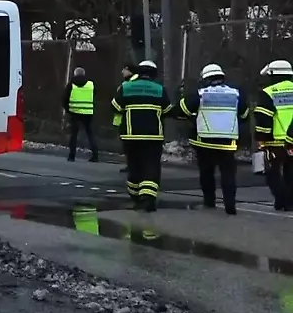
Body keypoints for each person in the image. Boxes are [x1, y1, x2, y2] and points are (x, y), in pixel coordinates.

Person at [178, 63, 248, 215]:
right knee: (228, 174)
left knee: (207, 173)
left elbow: (182, 109)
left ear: (206, 78)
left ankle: (209, 202)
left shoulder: (201, 94)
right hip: (228, 142)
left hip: (205, 141)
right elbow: (244, 115)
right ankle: (230, 206)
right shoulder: (236, 93)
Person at [111, 60, 173, 212]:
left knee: (134, 165)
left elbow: (115, 107)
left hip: (130, 135)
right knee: (151, 165)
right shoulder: (160, 89)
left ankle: (135, 195)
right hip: (153, 136)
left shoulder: (126, 87)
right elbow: (167, 110)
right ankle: (148, 198)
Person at [254, 60, 293, 210]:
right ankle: (289, 203)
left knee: (272, 173)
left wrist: (261, 139)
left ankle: (282, 200)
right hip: (291, 140)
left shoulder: (269, 93)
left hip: (275, 142)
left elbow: (263, 118)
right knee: (291, 172)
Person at [62, 66, 98, 162]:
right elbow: (95, 96)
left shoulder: (71, 84)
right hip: (88, 112)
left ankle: (71, 156)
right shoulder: (91, 84)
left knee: (73, 135)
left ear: (75, 74)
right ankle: (95, 155)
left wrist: (68, 110)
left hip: (74, 112)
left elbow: (65, 98)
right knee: (90, 134)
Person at [115, 64, 138, 174]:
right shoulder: (127, 83)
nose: (122, 72)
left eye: (124, 69)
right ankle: (131, 164)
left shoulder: (130, 84)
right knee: (127, 143)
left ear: (130, 71)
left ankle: (133, 165)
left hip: (128, 118)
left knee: (130, 143)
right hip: (124, 118)